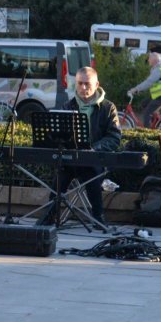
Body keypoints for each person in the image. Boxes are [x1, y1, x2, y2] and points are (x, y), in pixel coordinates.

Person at [40, 67, 121, 226]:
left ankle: (97, 217)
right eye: (80, 83)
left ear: (97, 84)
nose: (83, 88)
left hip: (94, 159)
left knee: (91, 176)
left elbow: (114, 137)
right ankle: (49, 217)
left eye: (87, 84)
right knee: (59, 178)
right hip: (71, 159)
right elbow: (58, 136)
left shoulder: (108, 107)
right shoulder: (67, 106)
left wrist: (95, 149)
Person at [127, 52, 161, 128]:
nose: (148, 60)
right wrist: (139, 90)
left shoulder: (158, 69)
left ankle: (148, 133)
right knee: (144, 104)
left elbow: (148, 82)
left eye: (149, 58)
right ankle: (153, 124)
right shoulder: (157, 68)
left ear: (154, 60)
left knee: (147, 113)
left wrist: (135, 89)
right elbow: (152, 84)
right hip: (159, 95)